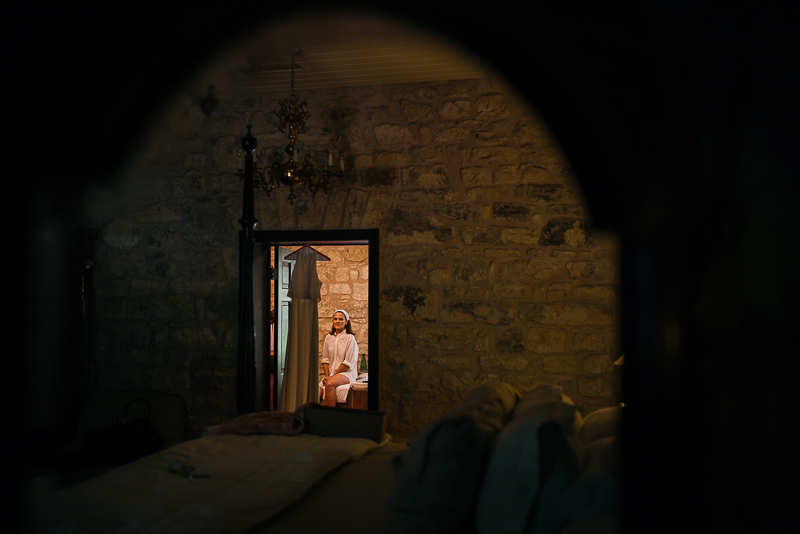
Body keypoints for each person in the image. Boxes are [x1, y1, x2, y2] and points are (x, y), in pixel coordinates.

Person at [319, 310, 358, 406]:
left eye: (341, 319)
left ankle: (331, 418)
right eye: (335, 319)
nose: (337, 321)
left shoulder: (350, 338)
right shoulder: (329, 337)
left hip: (346, 373)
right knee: (317, 392)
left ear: (346, 322)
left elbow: (347, 363)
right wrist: (327, 376)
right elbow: (325, 360)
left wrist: (332, 377)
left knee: (329, 384)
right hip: (331, 373)